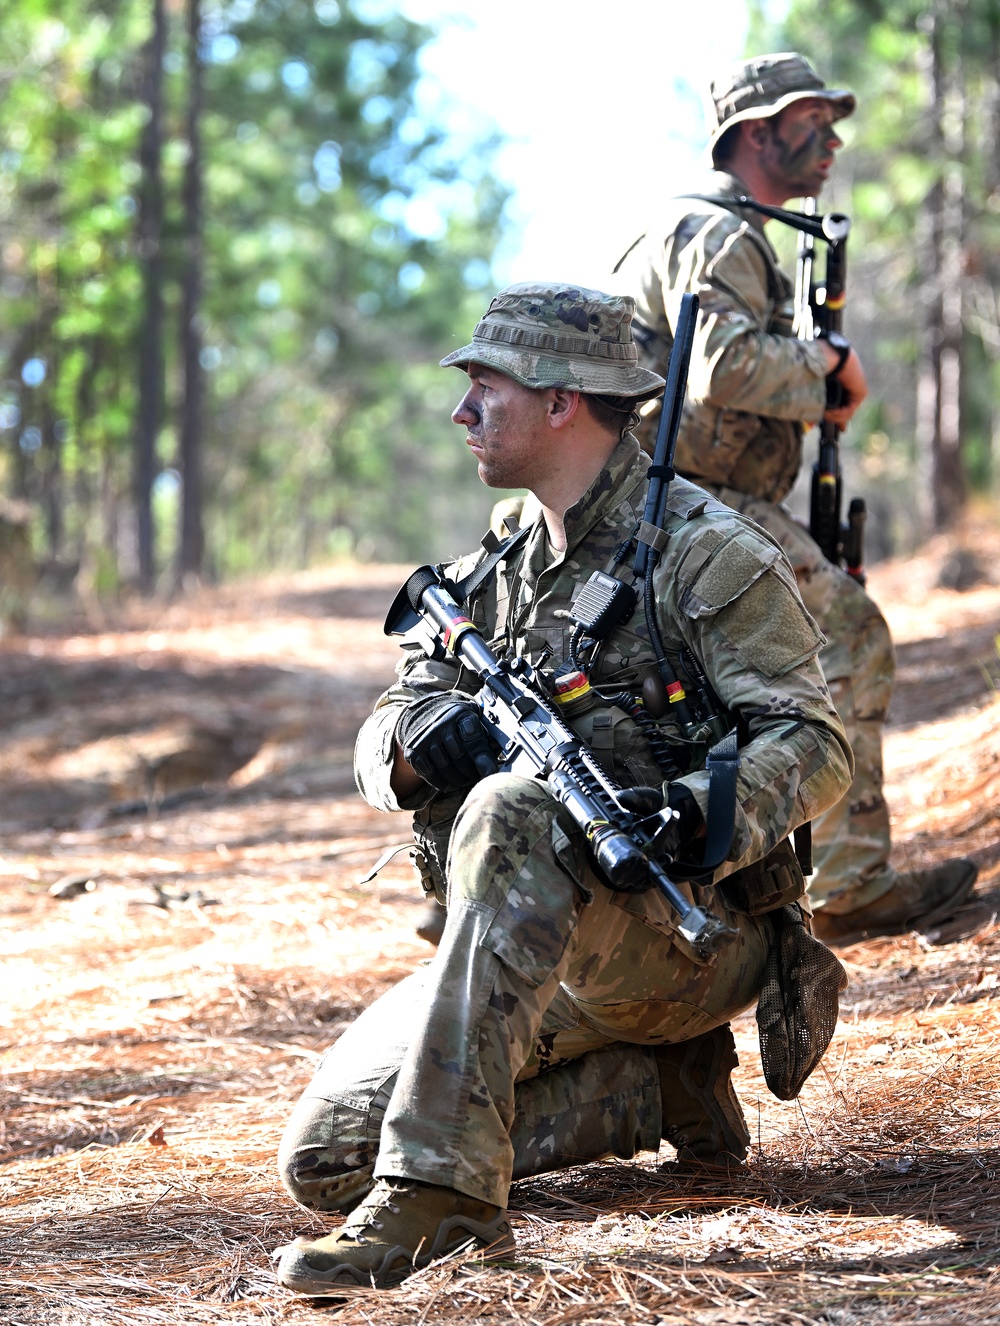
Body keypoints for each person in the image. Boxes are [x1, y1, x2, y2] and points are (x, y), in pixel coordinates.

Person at [273, 283, 853, 1294]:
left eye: (484, 390)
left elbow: (813, 743)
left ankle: (443, 1208)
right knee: (321, 1161)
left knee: (509, 808)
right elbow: (380, 738)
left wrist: (693, 814)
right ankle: (653, 1093)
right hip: (521, 951)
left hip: (682, 933)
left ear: (562, 402)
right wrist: (414, 748)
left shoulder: (702, 551)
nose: (461, 413)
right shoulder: (495, 572)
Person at [613, 52, 976, 944]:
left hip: (671, 501)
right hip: (700, 499)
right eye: (811, 117)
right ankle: (852, 882)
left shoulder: (705, 230)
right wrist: (829, 370)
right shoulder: (721, 234)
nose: (834, 138)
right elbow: (724, 366)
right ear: (754, 132)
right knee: (850, 636)